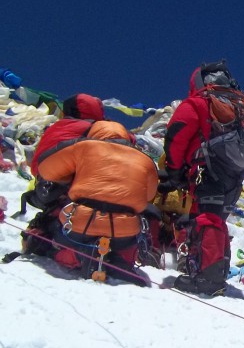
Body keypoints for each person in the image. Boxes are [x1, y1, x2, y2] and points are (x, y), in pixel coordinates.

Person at [162, 60, 244, 295]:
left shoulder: (199, 103)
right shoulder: (240, 108)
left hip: (206, 168)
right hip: (234, 175)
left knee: (206, 218)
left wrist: (174, 170)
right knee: (216, 220)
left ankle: (207, 279)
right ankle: (216, 273)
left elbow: (177, 135)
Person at [35, 119, 158, 284]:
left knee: (55, 235)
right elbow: (149, 195)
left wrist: (72, 176)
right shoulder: (145, 160)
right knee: (120, 245)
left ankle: (78, 256)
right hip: (125, 230)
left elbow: (45, 168)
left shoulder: (83, 146)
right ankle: (115, 260)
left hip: (81, 223)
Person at [20, 94, 106, 256]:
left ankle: (44, 230)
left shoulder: (57, 126)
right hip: (68, 193)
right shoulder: (94, 129)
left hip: (41, 188)